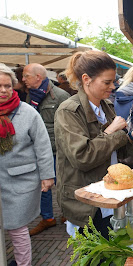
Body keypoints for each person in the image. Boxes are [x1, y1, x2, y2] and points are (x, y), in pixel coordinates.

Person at [54, 50, 133, 238]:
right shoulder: (68, 111)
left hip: (108, 195)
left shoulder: (105, 105)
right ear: (86, 79)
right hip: (86, 201)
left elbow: (114, 149)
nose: (113, 87)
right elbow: (82, 157)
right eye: (107, 82)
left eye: (113, 81)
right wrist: (112, 132)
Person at [0, 63, 55, 266]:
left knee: (17, 228)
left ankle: (24, 264)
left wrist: (47, 176)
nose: (4, 90)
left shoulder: (27, 112)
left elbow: (42, 145)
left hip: (20, 180)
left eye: (7, 85)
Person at [22, 63, 70, 236]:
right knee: (42, 185)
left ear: (38, 77)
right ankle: (47, 218)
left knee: (62, 183)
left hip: (57, 150)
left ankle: (67, 214)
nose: (22, 79)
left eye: (26, 75)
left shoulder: (60, 95)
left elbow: (69, 125)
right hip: (36, 149)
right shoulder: (30, 97)